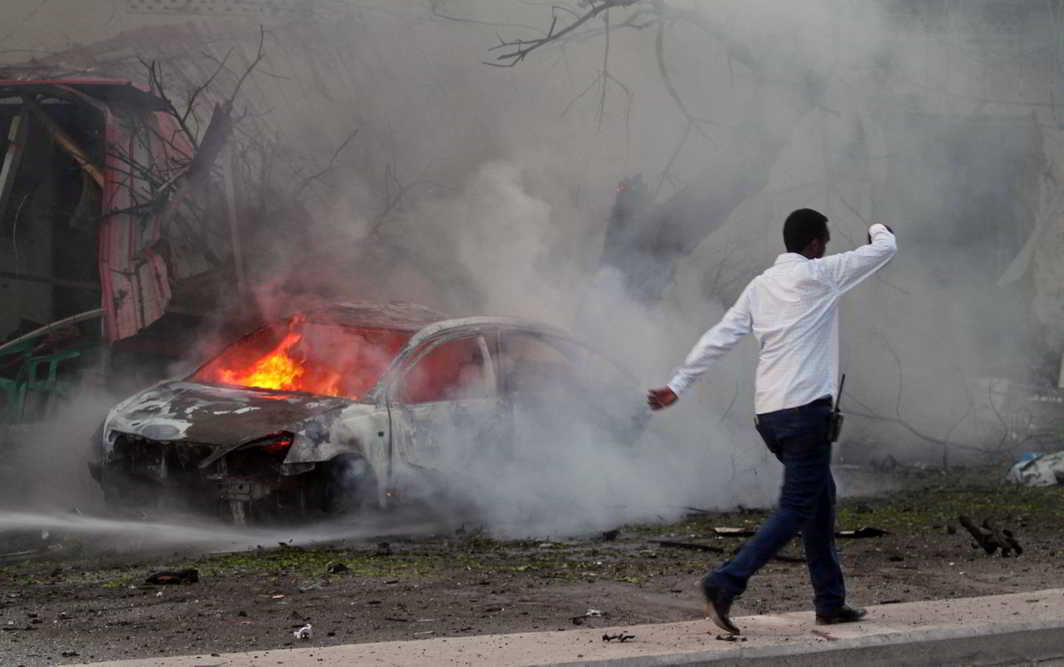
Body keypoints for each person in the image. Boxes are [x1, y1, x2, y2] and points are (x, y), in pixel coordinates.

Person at [647, 208, 896, 635]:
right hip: (805, 415)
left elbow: (720, 335)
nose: (827, 249)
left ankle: (830, 602)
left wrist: (678, 384)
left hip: (771, 417)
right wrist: (879, 227)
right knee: (797, 507)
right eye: (826, 242)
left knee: (820, 500)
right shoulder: (822, 275)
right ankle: (725, 582)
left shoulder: (760, 287)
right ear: (815, 244)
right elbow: (885, 248)